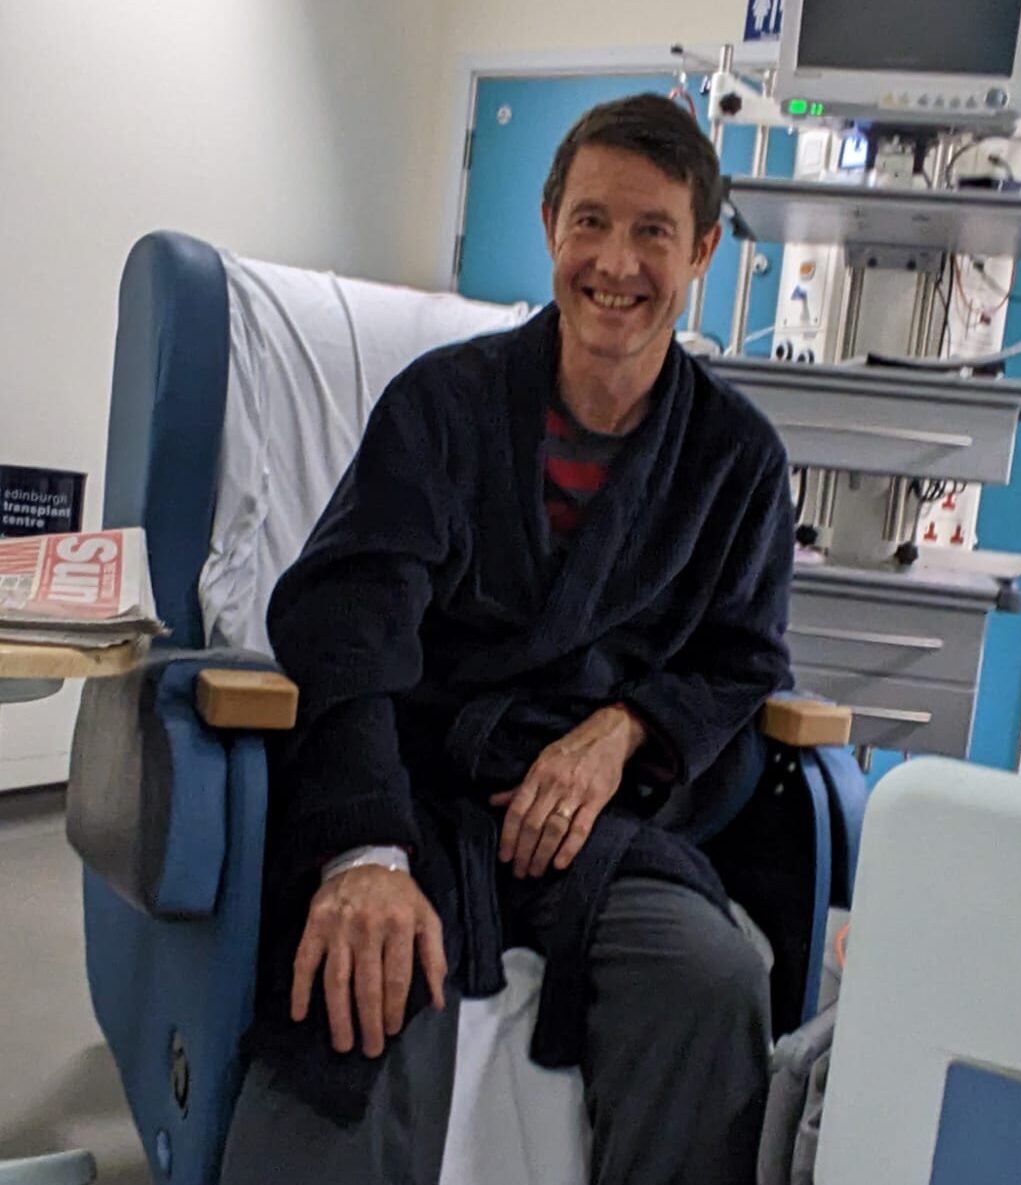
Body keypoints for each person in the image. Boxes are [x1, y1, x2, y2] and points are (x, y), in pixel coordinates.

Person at [221, 92, 796, 1185]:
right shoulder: (443, 406)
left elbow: (742, 657)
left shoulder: (738, 460)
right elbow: (350, 620)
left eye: (652, 232)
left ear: (704, 250)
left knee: (712, 979)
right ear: (549, 226)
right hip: (418, 796)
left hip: (601, 836)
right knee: (360, 981)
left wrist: (624, 731)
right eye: (590, 222)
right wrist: (366, 852)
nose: (614, 263)